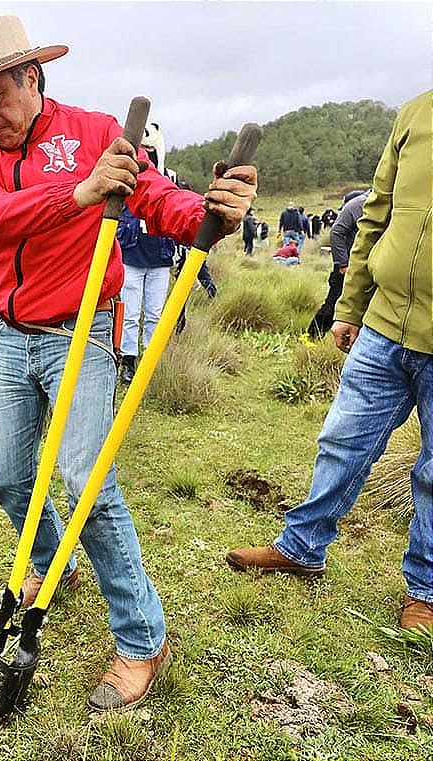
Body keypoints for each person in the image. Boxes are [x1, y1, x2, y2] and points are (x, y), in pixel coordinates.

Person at [0, 14, 257, 711]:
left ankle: (142, 640)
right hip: (10, 334)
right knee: (8, 479)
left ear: (32, 76)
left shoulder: (99, 133)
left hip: (83, 325)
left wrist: (212, 210)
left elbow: (159, 201)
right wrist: (78, 194)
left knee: (86, 480)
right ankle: (55, 562)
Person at [225, 90, 432, 633]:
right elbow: (376, 217)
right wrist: (351, 305)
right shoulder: (416, 112)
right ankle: (302, 547)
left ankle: (426, 590)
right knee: (342, 439)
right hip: (385, 321)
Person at [116, 204, 175, 384]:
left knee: (154, 315)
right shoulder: (129, 195)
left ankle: (150, 359)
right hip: (131, 258)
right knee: (130, 315)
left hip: (160, 261)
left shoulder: (166, 193)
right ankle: (128, 360)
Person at [306, 189, 368, 339]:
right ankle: (312, 336)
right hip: (346, 268)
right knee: (333, 303)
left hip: (367, 267)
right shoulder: (357, 205)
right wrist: (343, 264)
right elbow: (336, 233)